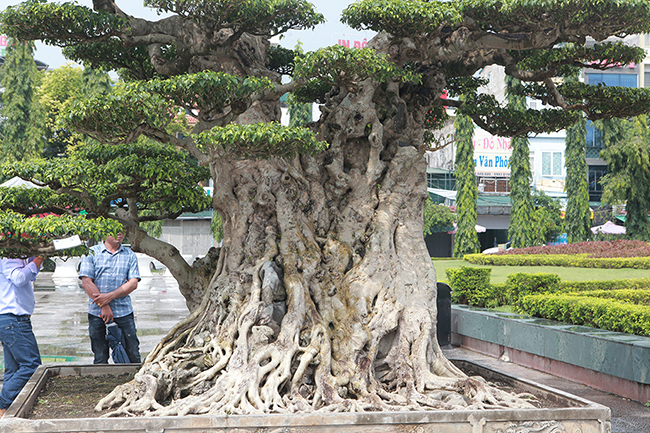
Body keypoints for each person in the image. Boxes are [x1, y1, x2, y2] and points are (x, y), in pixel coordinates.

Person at [79, 233, 141, 364]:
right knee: (100, 355)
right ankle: (102, 382)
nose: (120, 234)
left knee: (133, 353)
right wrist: (104, 305)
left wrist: (110, 296)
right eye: (115, 230)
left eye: (122, 230)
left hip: (123, 312)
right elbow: (87, 282)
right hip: (98, 313)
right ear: (104, 232)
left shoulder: (129, 255)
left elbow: (133, 282)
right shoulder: (91, 253)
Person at [0, 256, 45, 417]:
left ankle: (7, 410)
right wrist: (37, 260)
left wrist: (33, 263)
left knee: (14, 368)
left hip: (10, 319)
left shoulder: (17, 257)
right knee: (31, 365)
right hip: (13, 319)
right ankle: (3, 403)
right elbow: (19, 278)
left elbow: (27, 276)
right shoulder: (9, 256)